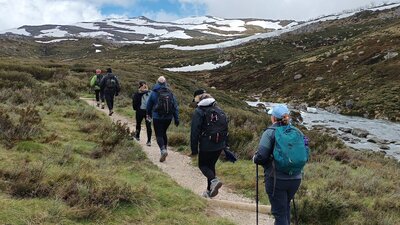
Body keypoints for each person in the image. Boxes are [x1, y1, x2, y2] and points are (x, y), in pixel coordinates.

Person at [253, 104, 308, 225]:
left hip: (276, 179)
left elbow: (261, 157)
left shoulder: (270, 132)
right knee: (285, 208)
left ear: (273, 118)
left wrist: (255, 159)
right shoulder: (297, 131)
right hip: (296, 178)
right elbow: (305, 151)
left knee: (279, 213)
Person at [190, 92, 228, 198]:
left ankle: (214, 181)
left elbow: (194, 131)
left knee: (202, 165)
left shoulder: (199, 111)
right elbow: (225, 128)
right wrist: (225, 144)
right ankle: (209, 191)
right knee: (211, 166)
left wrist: (194, 149)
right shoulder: (219, 110)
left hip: (206, 144)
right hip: (219, 144)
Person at [146, 76, 179, 162]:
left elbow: (149, 105)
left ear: (157, 82)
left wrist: (148, 114)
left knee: (159, 135)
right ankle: (165, 149)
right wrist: (176, 118)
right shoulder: (170, 92)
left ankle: (162, 150)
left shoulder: (154, 92)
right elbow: (175, 106)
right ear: (165, 82)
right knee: (164, 132)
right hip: (168, 117)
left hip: (157, 117)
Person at [132, 80, 152, 146]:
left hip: (139, 111)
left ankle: (137, 136)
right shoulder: (150, 93)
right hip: (148, 112)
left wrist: (136, 109)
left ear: (139, 86)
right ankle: (149, 141)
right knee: (148, 125)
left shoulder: (137, 93)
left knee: (138, 124)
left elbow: (134, 103)